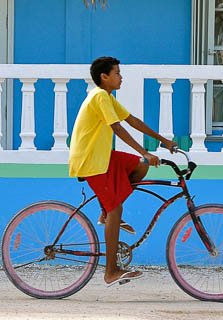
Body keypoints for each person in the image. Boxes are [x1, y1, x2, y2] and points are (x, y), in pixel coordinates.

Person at [68, 56, 177, 285]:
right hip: (91, 161)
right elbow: (117, 128)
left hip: (103, 158)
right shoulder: (99, 96)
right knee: (116, 209)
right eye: (117, 73)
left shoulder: (107, 97)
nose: (121, 76)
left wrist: (163, 141)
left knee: (140, 166)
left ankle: (107, 210)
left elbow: (132, 120)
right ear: (104, 77)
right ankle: (111, 271)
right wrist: (144, 150)